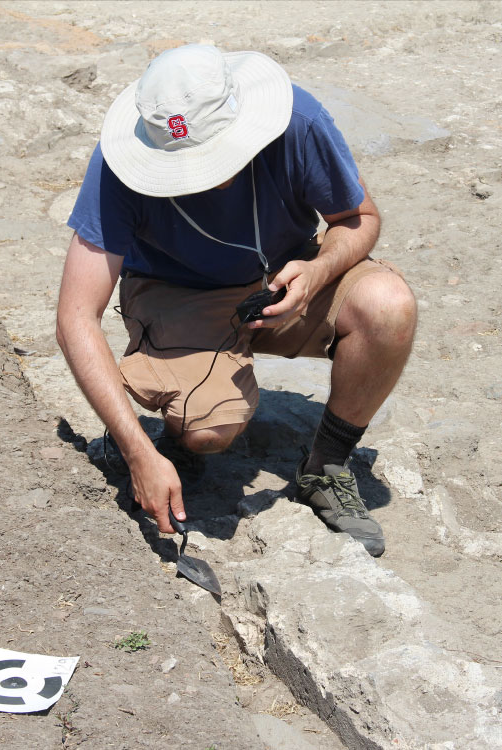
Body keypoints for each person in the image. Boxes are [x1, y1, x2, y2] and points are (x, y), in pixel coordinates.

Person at [57, 44, 416, 557]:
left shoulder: (299, 121)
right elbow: (75, 316)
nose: (203, 175)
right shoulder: (118, 163)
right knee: (208, 433)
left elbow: (359, 218)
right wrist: (138, 451)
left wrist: (317, 271)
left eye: (214, 156)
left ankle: (326, 466)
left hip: (289, 275)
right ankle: (174, 429)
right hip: (179, 292)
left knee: (389, 306)